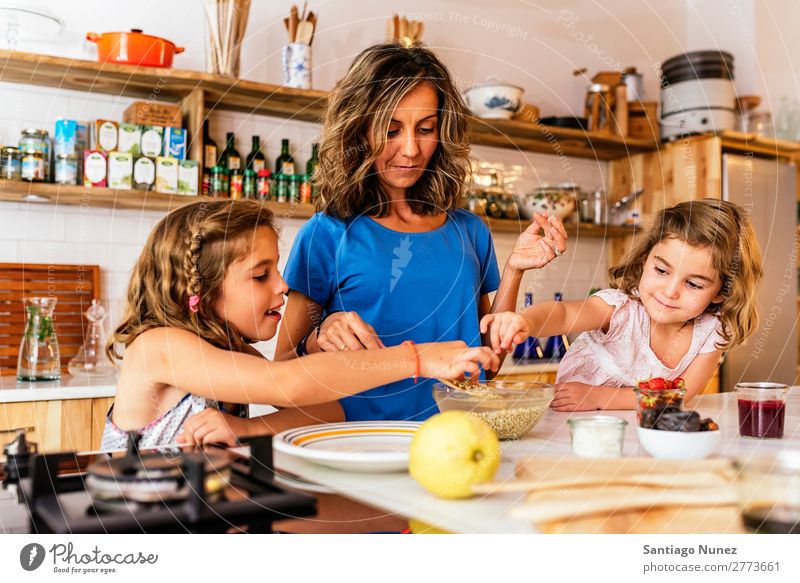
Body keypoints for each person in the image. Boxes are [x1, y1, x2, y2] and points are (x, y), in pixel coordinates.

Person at [275, 42, 567, 422]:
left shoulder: (470, 232)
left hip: (455, 440)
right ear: (359, 130)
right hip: (358, 445)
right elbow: (282, 372)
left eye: (425, 128)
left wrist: (514, 269)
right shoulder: (327, 234)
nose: (411, 149)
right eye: (392, 130)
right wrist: (321, 337)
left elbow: (486, 367)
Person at [100, 199, 499, 449]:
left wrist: (247, 428)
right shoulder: (159, 347)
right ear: (199, 289)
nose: (284, 285)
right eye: (261, 276)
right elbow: (287, 384)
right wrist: (418, 359)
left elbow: (329, 410)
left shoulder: (235, 351)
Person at [480, 199, 763, 410]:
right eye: (661, 271)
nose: (670, 291)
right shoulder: (620, 310)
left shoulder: (712, 331)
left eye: (694, 284)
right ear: (644, 262)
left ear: (721, 292)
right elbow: (564, 314)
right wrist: (525, 321)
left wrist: (598, 397)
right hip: (573, 424)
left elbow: (681, 393)